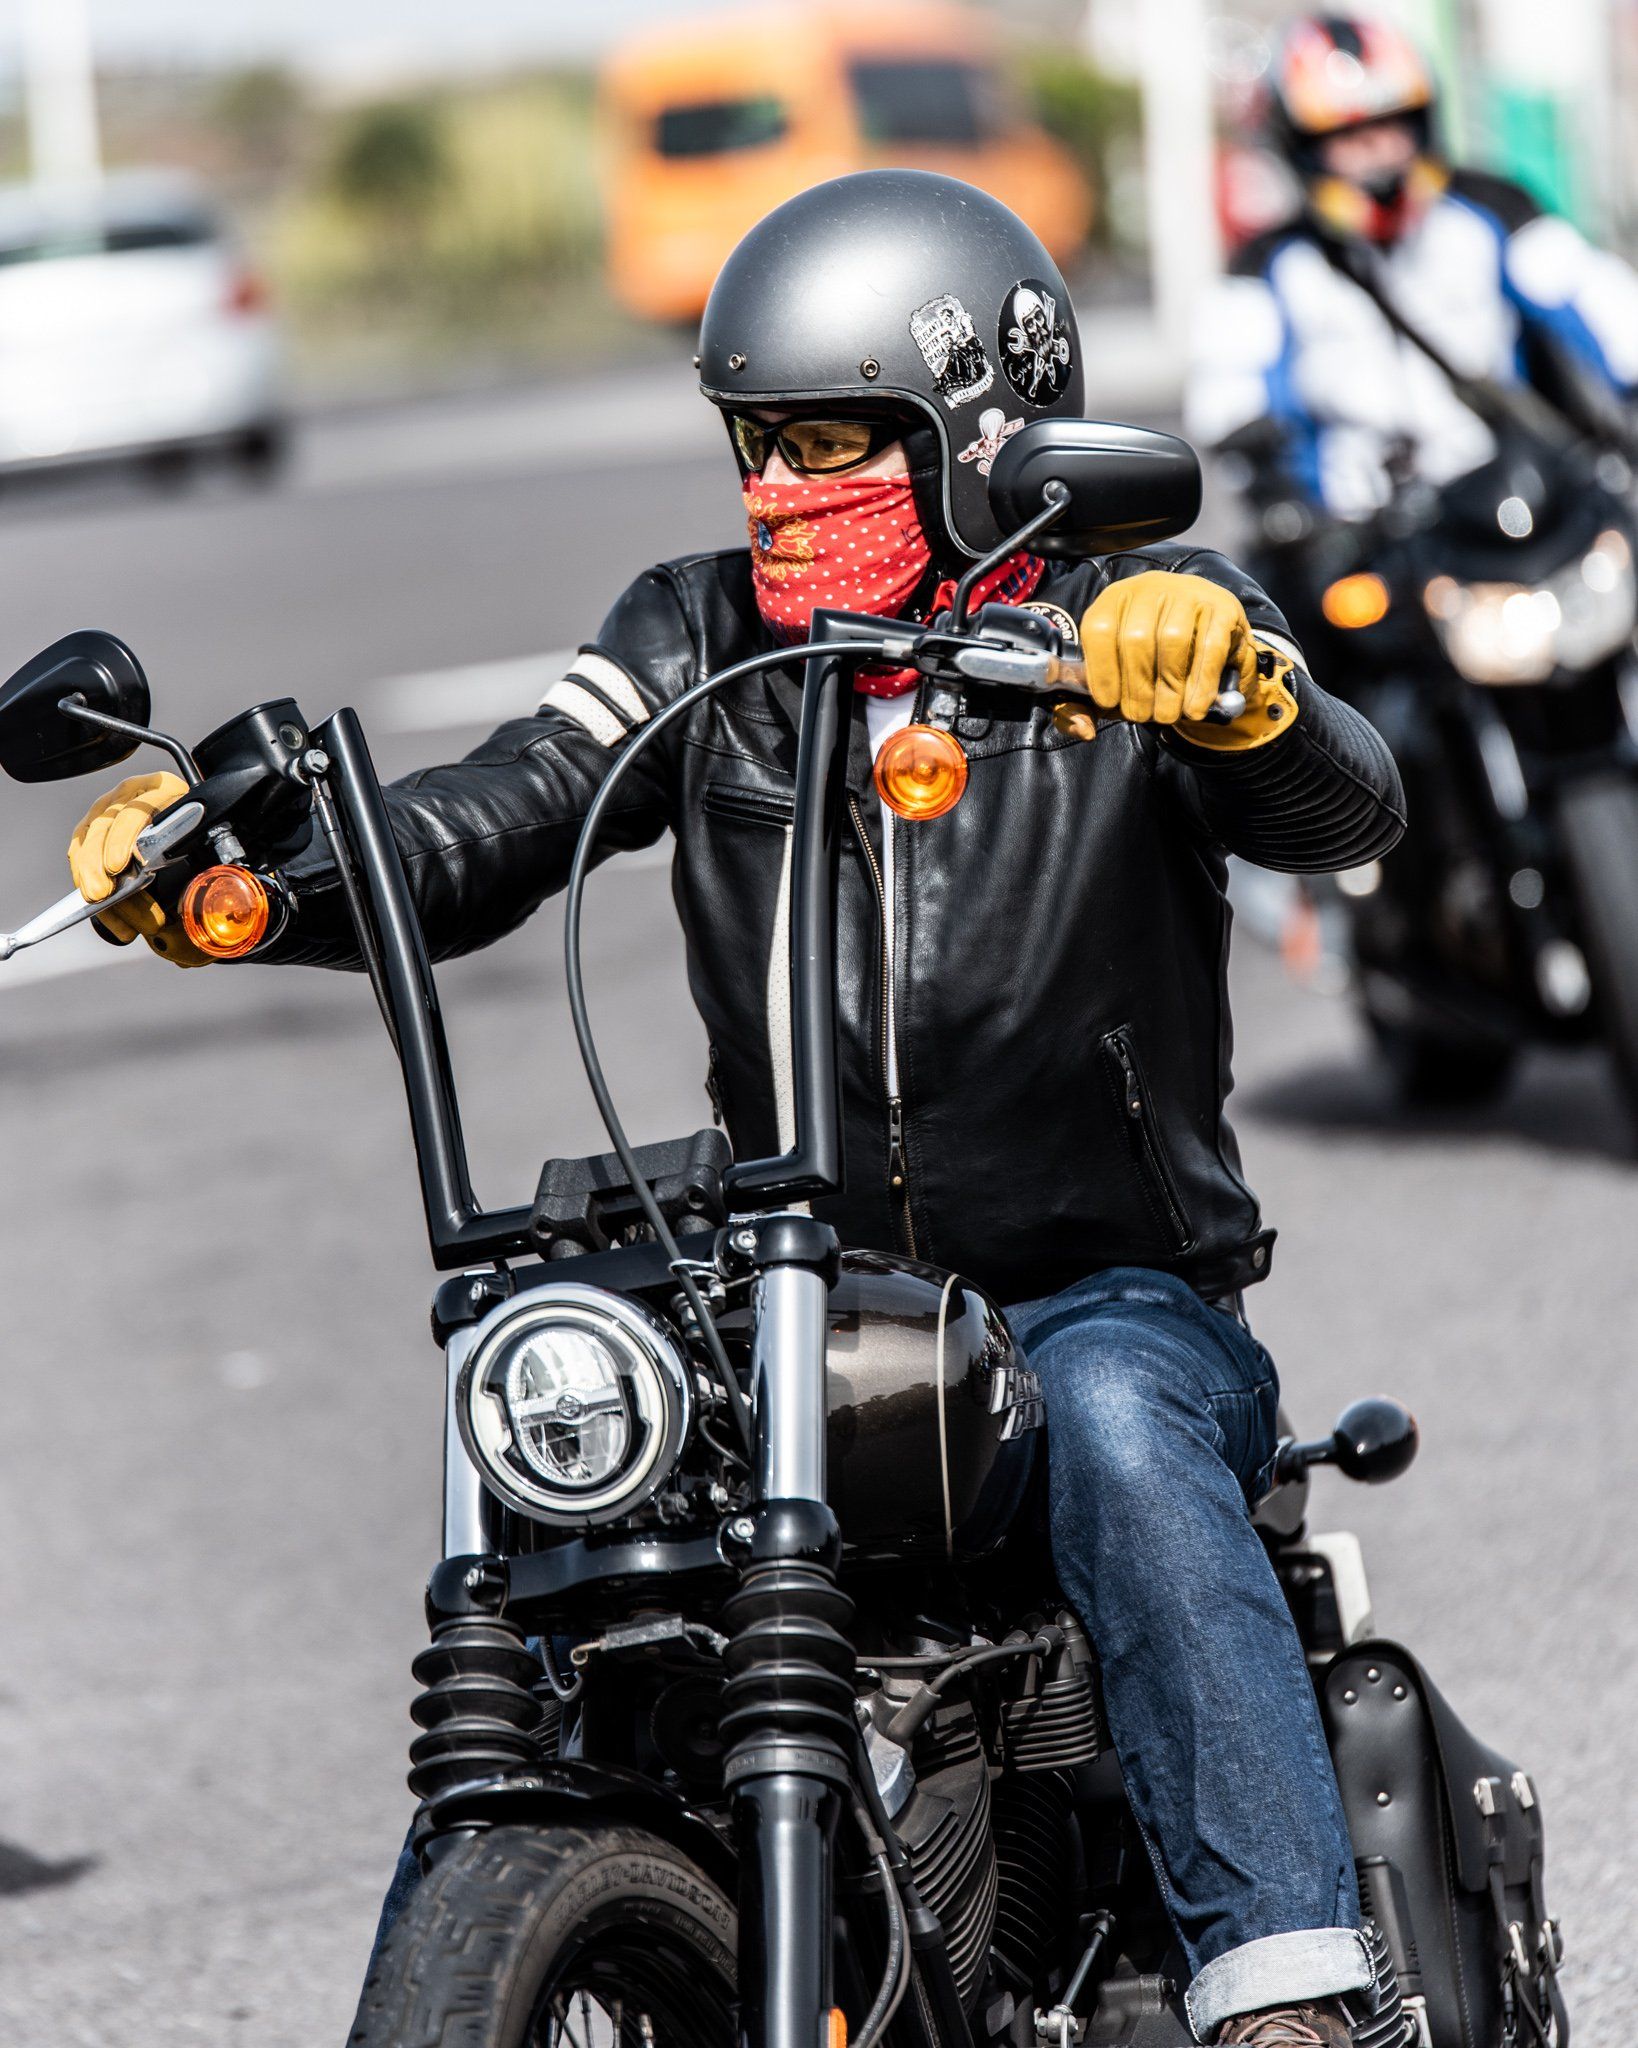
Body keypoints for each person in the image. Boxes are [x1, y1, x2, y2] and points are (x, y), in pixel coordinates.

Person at [66, 172, 1405, 2046]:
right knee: (574, 1458)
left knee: (1109, 1415)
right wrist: (254, 881)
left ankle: (1282, 1986)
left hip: (1097, 1288)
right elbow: (508, 805)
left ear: (977, 435)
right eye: (751, 444)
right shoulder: (700, 636)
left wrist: (1237, 695)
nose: (774, 489)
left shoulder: (1134, 616)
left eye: (830, 441)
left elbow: (1342, 809)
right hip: (798, 1285)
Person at [1187, 11, 1638, 520]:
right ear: (1304, 150)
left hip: (1509, 502)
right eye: (1349, 137)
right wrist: (1281, 503)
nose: (1379, 152)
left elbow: (1603, 304)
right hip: (1356, 536)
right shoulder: (1267, 266)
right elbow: (1228, 400)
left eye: (1392, 125)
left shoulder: (1494, 212)